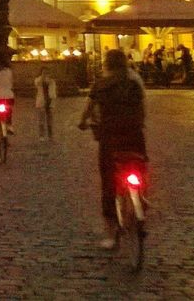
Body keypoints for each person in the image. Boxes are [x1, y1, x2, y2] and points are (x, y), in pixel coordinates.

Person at [78, 49, 147, 250]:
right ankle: (141, 197)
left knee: (109, 182)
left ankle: (110, 232)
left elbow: (88, 108)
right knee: (139, 164)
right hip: (134, 136)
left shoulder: (100, 85)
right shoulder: (133, 84)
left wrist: (82, 121)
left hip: (110, 137)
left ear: (106, 64)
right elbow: (142, 110)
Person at [34, 67, 57, 139]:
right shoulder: (38, 80)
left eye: (46, 73)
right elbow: (37, 83)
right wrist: (42, 78)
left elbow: (53, 92)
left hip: (49, 102)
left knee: (49, 120)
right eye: (43, 72)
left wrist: (52, 100)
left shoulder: (52, 81)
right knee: (41, 120)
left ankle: (50, 135)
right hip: (41, 101)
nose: (45, 74)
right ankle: (41, 135)